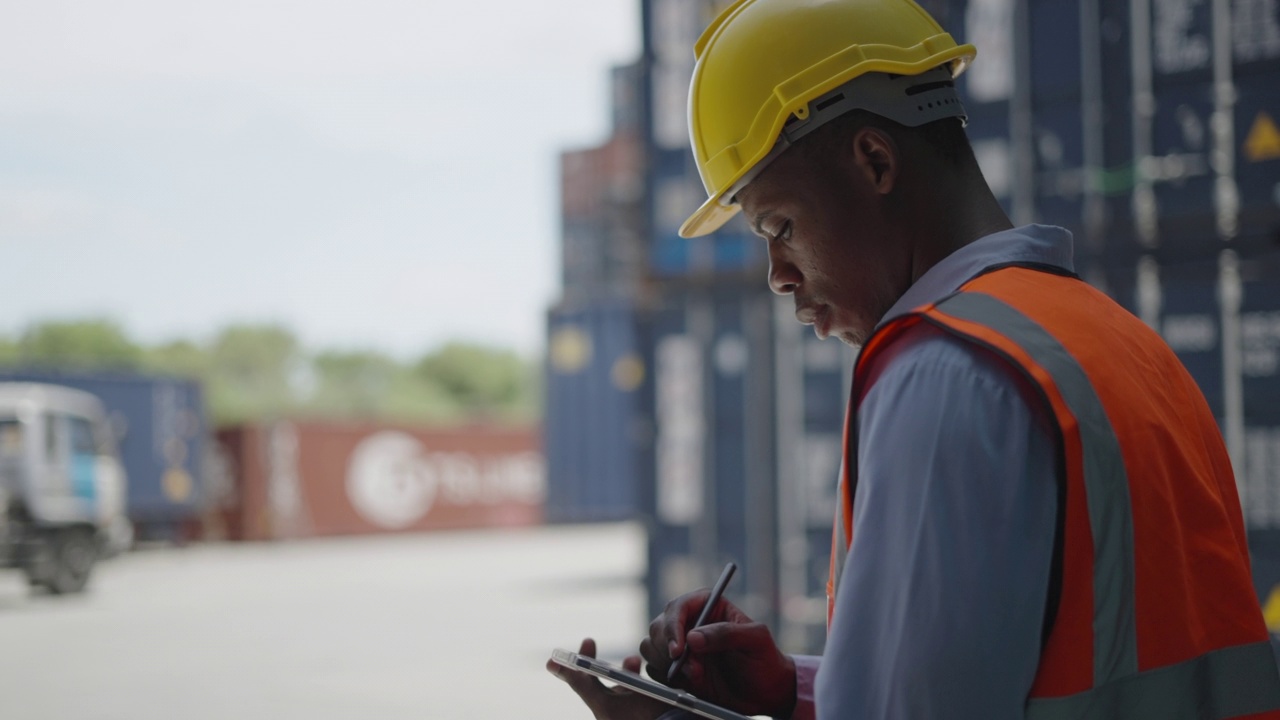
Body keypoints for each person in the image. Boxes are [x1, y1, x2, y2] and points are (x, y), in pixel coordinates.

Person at [548, 0, 1280, 717]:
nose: (776, 275)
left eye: (780, 225)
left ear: (873, 160)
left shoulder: (946, 375)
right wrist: (793, 692)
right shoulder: (1115, 345)